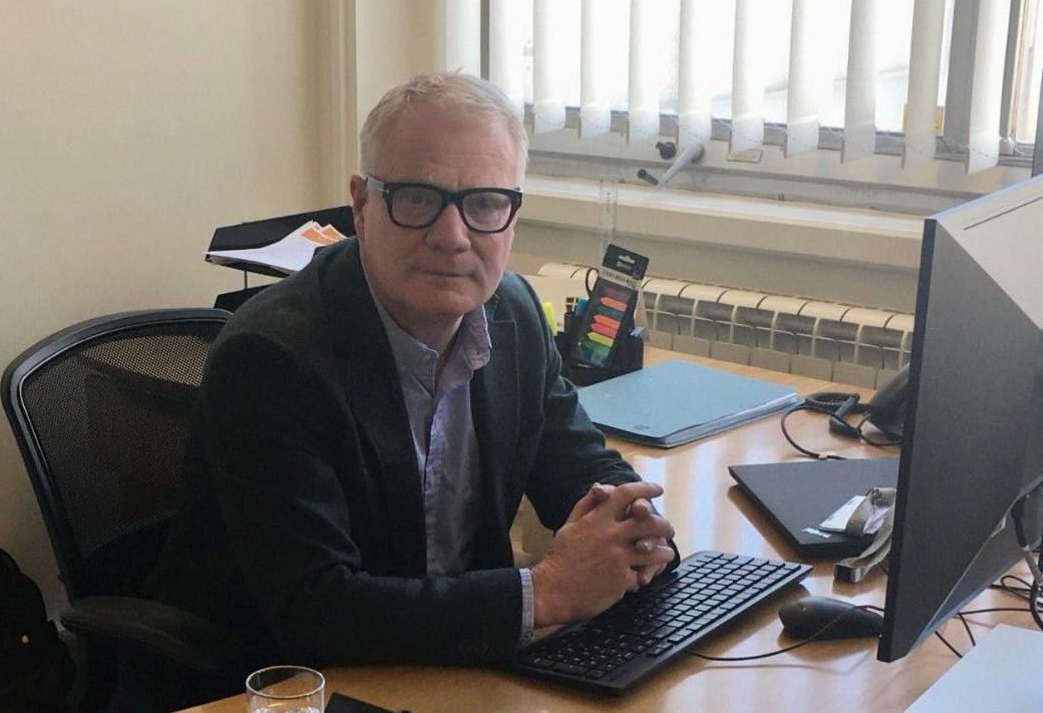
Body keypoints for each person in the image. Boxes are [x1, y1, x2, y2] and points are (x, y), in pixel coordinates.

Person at [147, 72, 677, 668]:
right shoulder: (272, 359)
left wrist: (638, 532)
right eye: (418, 199)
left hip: (454, 659)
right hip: (285, 682)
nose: (452, 238)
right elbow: (314, 610)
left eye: (484, 203)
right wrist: (548, 591)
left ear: (512, 217)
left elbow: (580, 469)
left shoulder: (516, 317)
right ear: (362, 205)